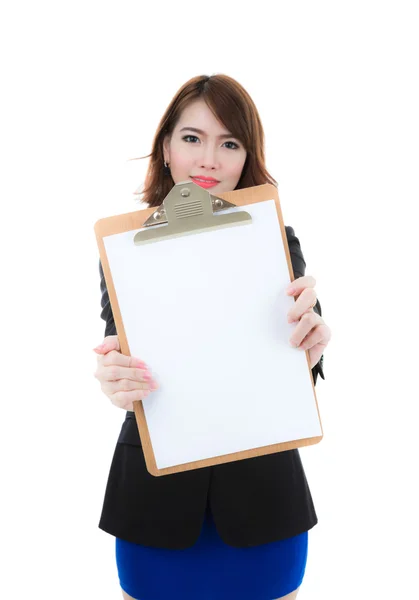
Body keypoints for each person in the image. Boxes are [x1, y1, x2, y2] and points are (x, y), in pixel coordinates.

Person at [94, 74, 331, 600]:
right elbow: (123, 354)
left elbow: (295, 363)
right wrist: (115, 381)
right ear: (167, 147)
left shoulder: (277, 238)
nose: (209, 160)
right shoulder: (124, 247)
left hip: (264, 501)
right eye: (192, 138)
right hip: (155, 504)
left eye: (230, 143)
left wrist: (311, 350)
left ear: (247, 157)